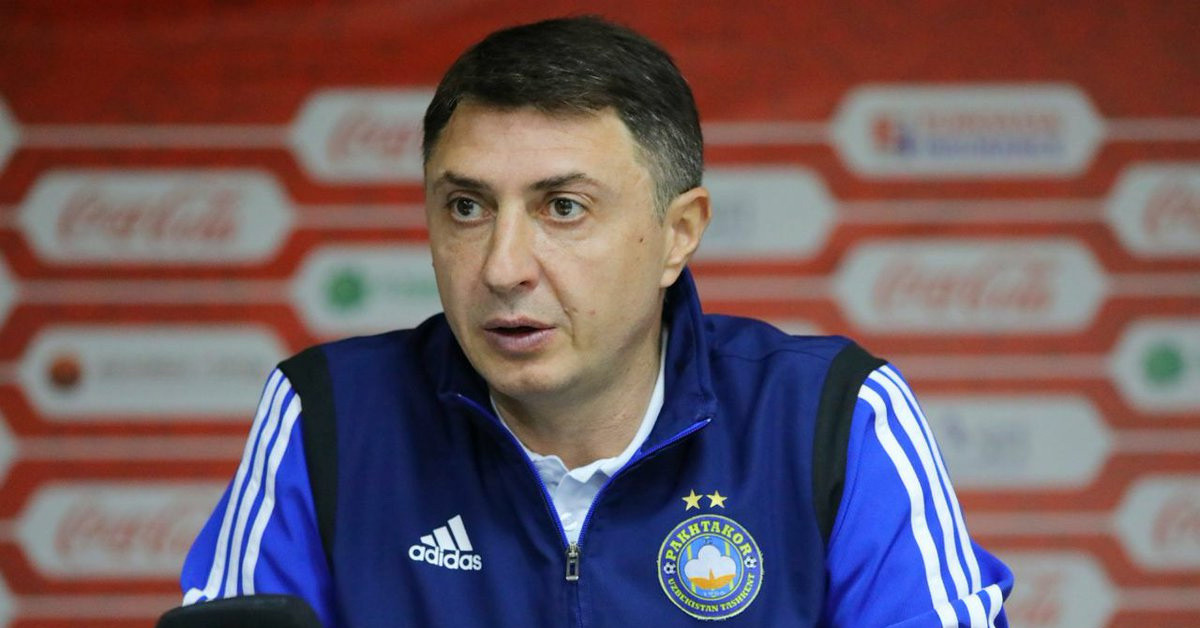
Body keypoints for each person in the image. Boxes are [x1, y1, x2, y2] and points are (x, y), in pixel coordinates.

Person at [180, 15, 1012, 627]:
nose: (502, 266)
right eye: (466, 206)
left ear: (678, 233)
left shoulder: (832, 416)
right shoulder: (327, 415)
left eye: (563, 208)